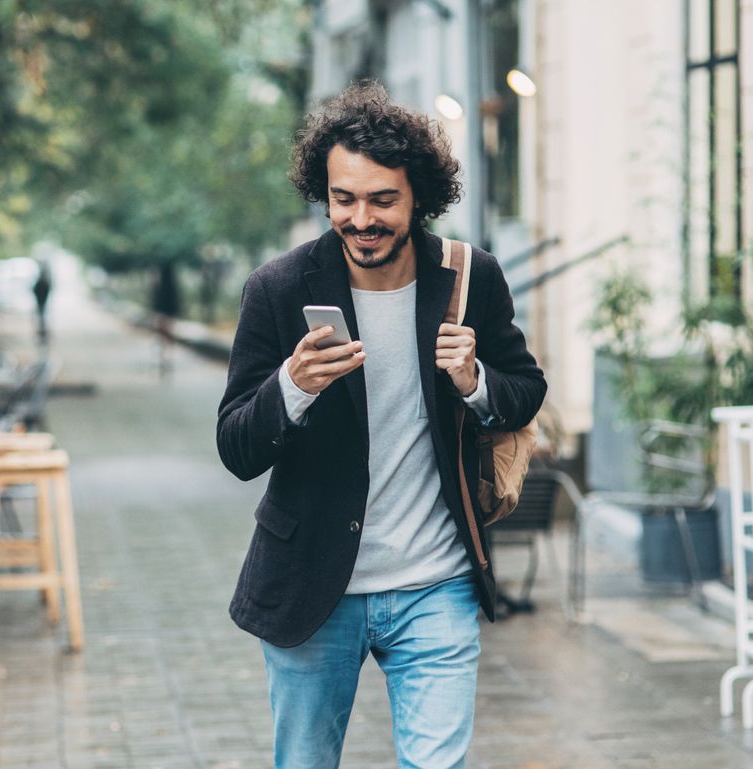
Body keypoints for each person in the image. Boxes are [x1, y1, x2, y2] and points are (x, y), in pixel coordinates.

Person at [215, 81, 546, 768]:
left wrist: (475, 380)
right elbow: (236, 446)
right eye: (343, 198)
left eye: (381, 200)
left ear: (418, 196)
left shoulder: (467, 277)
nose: (360, 218)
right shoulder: (278, 289)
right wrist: (291, 387)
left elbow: (525, 390)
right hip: (312, 585)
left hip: (436, 583)